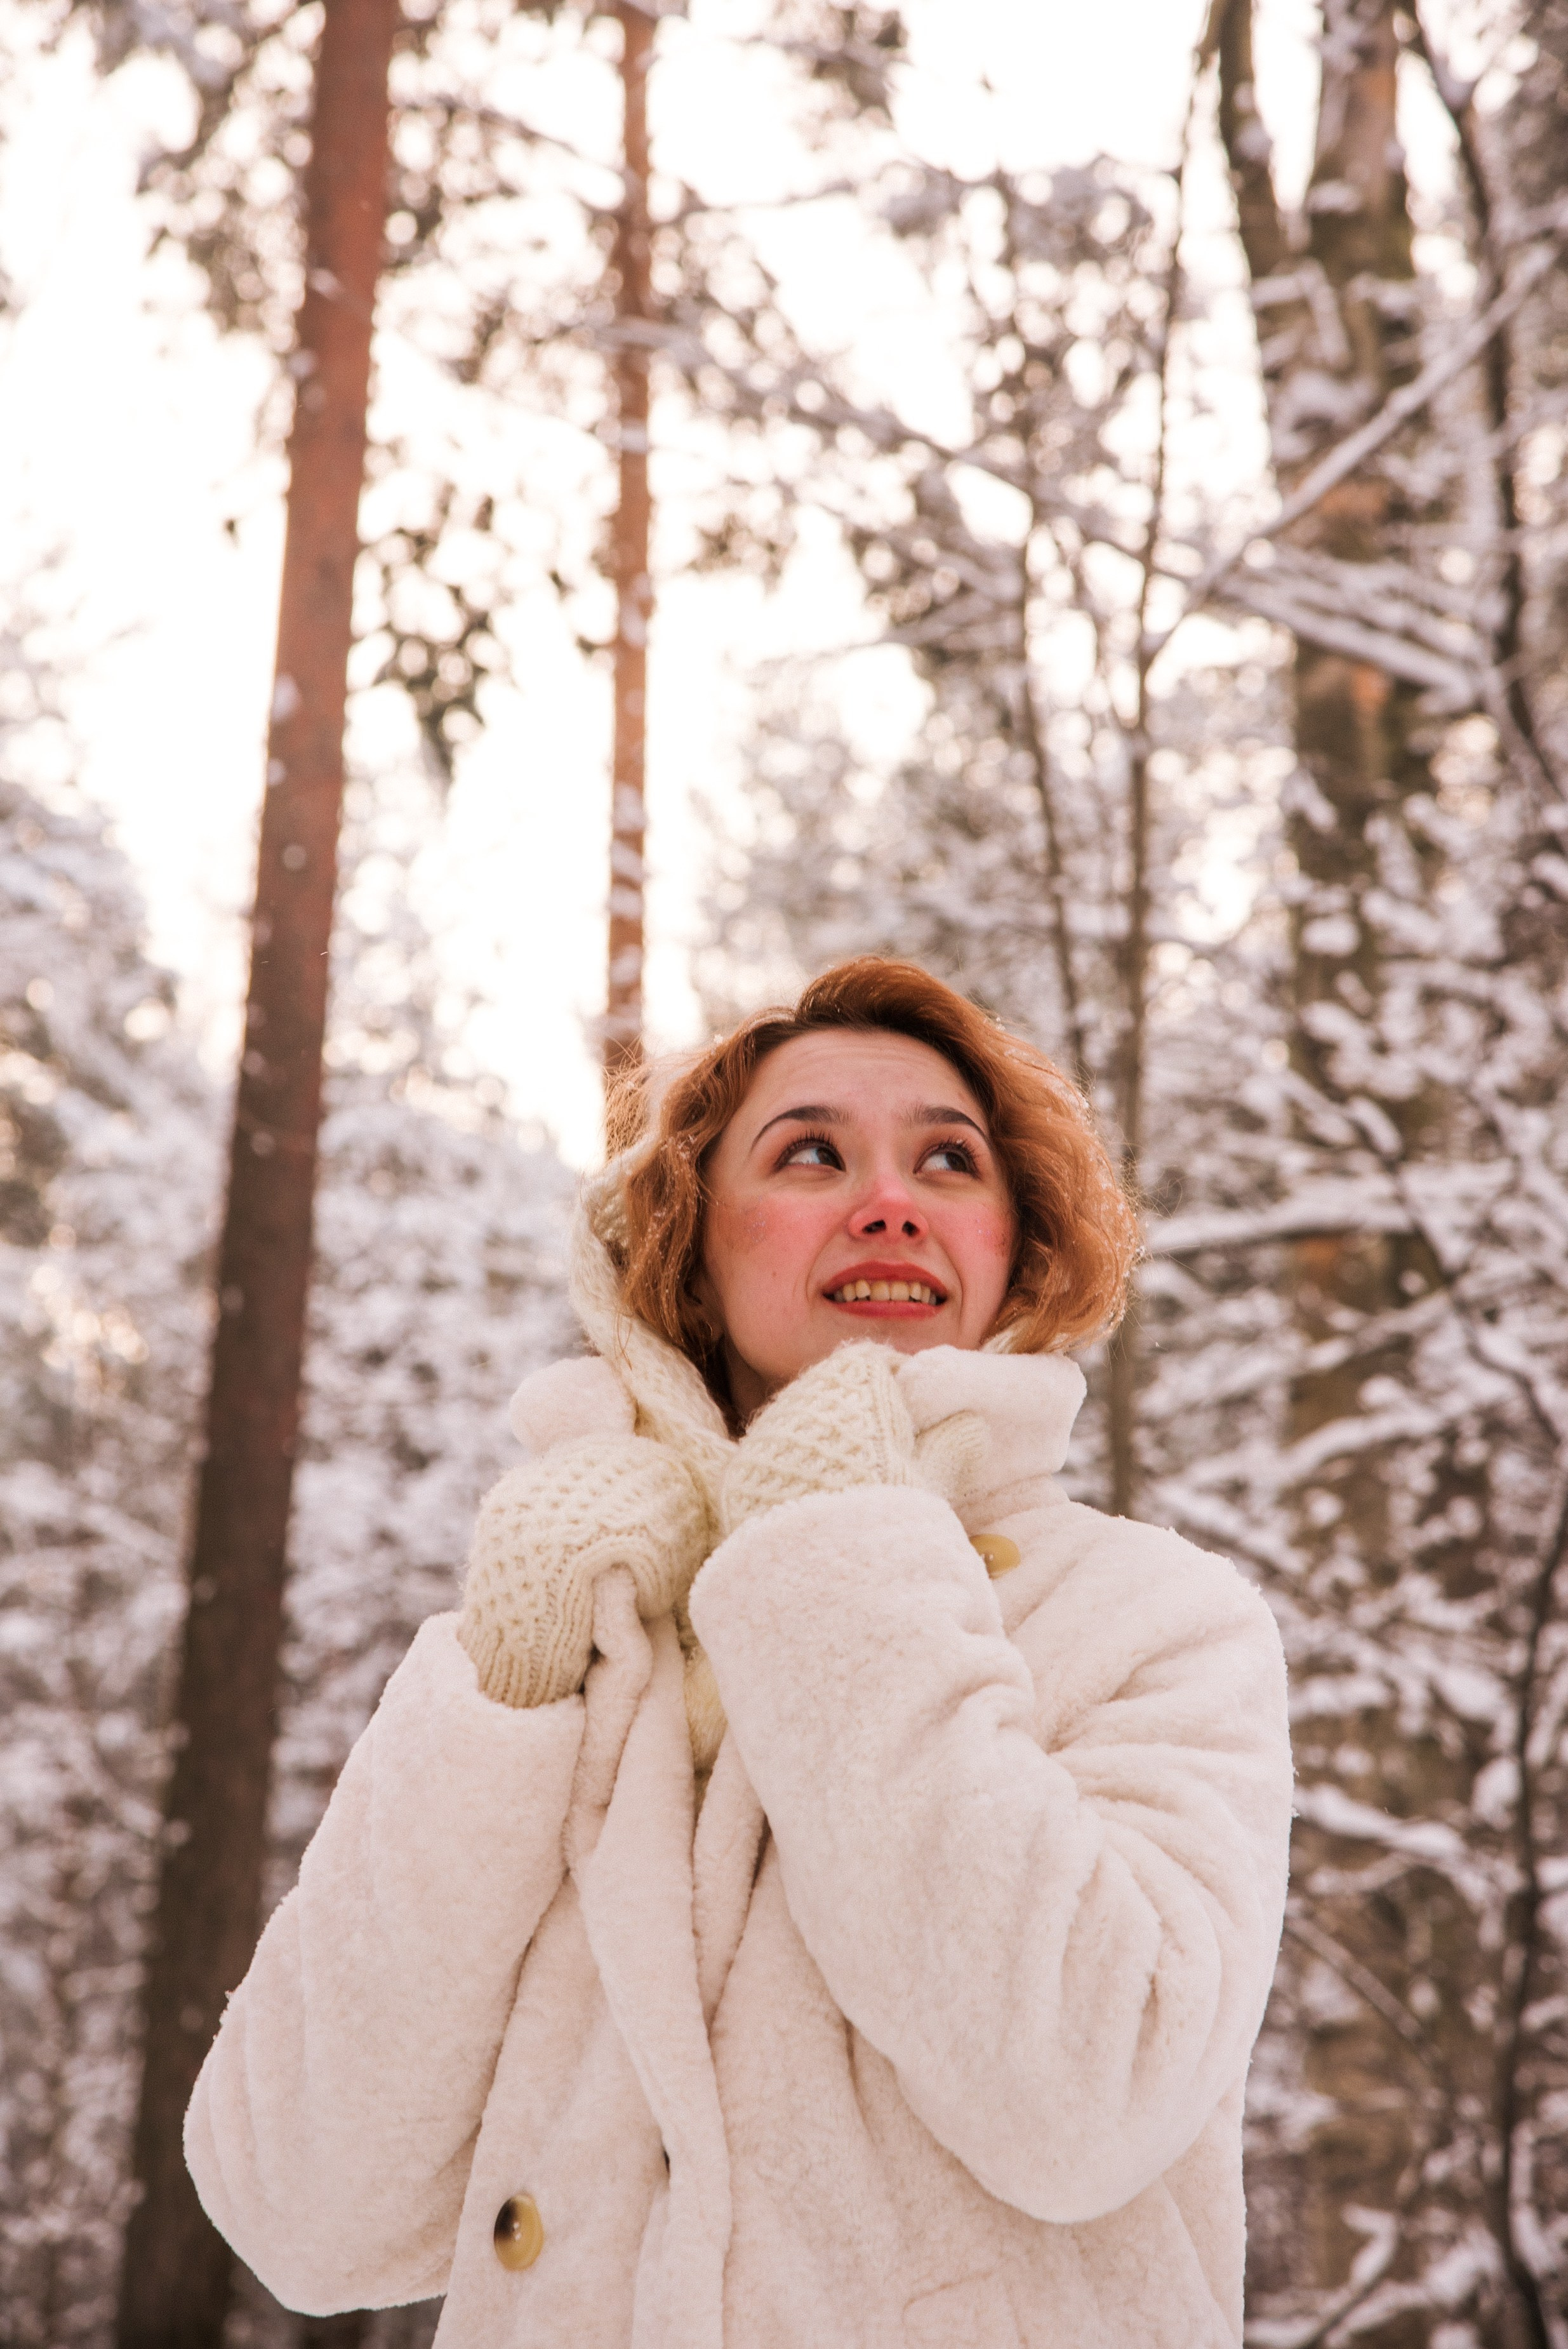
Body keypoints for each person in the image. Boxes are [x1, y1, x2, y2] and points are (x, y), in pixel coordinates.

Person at [185, 957, 1293, 2349]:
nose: (887, 1199)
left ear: (1015, 1246)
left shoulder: (1154, 1617)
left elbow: (1090, 2097)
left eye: (947, 1160)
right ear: (688, 1247)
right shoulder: (574, 1621)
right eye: (810, 1151)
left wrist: (835, 1543)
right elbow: (298, 2208)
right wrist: (505, 1683)